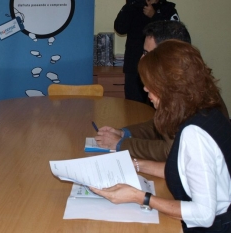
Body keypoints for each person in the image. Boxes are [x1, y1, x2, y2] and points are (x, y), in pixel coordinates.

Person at [91, 40, 231, 233]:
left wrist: (141, 197)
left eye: (151, 85)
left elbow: (204, 214)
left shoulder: (194, 134)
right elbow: (183, 171)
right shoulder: (207, 112)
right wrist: (134, 165)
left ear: (171, 88)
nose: (145, 91)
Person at [96, 21, 228, 161]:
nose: (142, 59)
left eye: (150, 54)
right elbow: (160, 124)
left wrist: (121, 144)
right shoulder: (183, 85)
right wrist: (125, 133)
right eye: (143, 52)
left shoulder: (189, 97)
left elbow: (170, 151)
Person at [114, 0, 179, 103]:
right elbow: (120, 28)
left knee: (160, 113)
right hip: (135, 71)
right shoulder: (134, 7)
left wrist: (154, 16)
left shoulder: (168, 9)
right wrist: (131, 3)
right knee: (133, 113)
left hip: (161, 71)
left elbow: (178, 37)